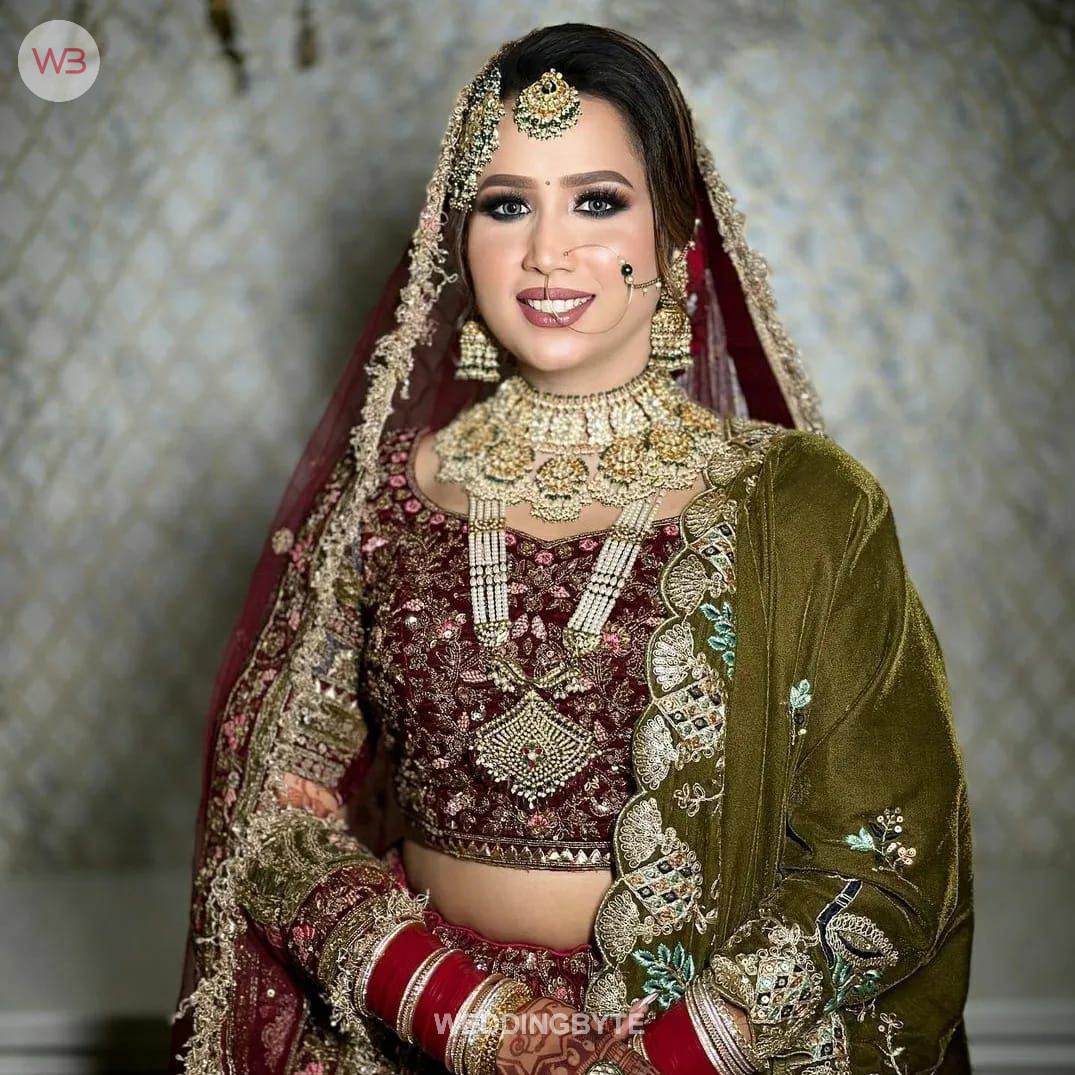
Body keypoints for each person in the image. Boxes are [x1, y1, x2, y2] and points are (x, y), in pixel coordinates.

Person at [168, 22, 973, 1075]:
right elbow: (267, 811)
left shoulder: (807, 508)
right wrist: (468, 1016)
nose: (547, 252)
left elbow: (889, 853)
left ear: (676, 235)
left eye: (596, 202)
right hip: (419, 1040)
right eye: (506, 205)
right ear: (457, 236)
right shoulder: (380, 498)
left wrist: (669, 1056)